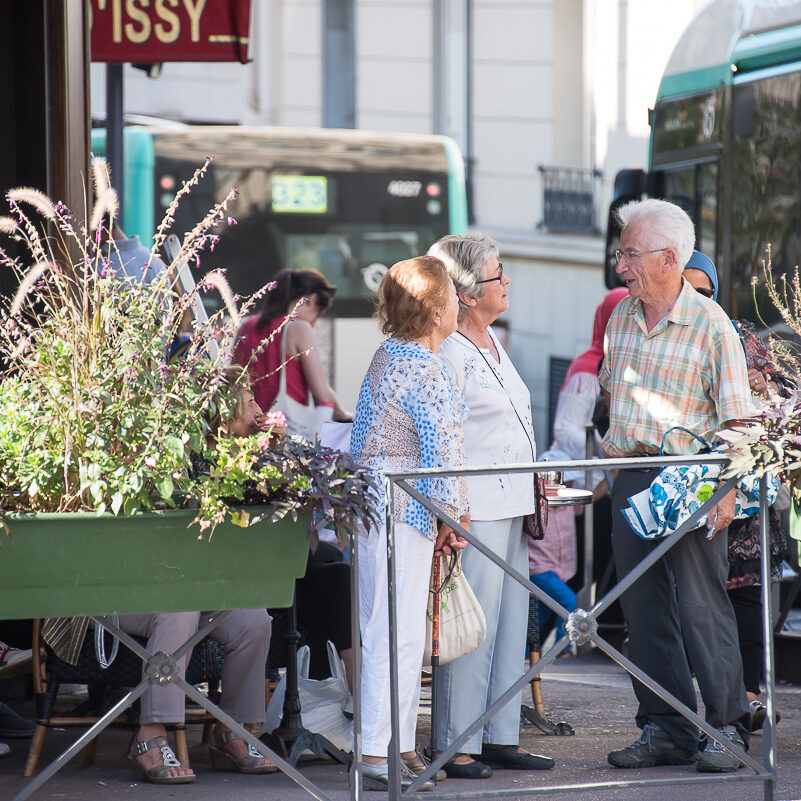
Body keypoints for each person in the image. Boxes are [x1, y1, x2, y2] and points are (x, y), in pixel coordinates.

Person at [42, 374, 276, 785]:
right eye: (249, 402)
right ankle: (149, 735)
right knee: (179, 608)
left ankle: (233, 732)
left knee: (253, 620)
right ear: (219, 417)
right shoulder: (169, 460)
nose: (259, 411)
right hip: (118, 593)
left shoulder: (236, 461)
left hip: (194, 587)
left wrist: (268, 456)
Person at [600, 199, 755, 773]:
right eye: (621, 253)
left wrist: (729, 488)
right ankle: (666, 728)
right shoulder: (621, 316)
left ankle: (727, 728)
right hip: (633, 476)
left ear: (669, 258)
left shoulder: (711, 323)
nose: (620, 266)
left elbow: (739, 418)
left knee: (700, 603)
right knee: (643, 611)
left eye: (630, 254)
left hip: (694, 478)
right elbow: (612, 394)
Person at [427, 233, 554, 778]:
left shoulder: (494, 342)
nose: (508, 283)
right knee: (471, 626)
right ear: (470, 292)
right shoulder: (450, 350)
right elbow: (445, 435)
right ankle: (457, 741)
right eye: (500, 274)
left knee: (507, 625)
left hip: (514, 501)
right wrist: (450, 509)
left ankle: (500, 733)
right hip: (474, 507)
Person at [350, 255, 469, 791]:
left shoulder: (385, 354)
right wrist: (454, 516)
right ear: (438, 306)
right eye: (454, 295)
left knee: (386, 624)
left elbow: (361, 438)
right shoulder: (426, 366)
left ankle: (390, 745)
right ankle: (380, 752)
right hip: (407, 503)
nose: (461, 304)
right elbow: (442, 448)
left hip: (376, 499)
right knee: (395, 629)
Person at [682, 251, 789, 733]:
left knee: (745, 595)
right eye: (685, 289)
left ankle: (744, 702)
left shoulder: (741, 334)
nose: (695, 300)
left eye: (704, 292)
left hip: (744, 485)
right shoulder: (669, 335)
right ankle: (700, 713)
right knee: (699, 600)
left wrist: (761, 385)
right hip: (689, 488)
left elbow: (785, 397)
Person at [234, 269, 351, 426]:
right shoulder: (298, 328)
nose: (314, 323)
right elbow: (322, 394)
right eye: (318, 314)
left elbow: (233, 379)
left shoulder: (246, 326)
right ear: (312, 300)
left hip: (246, 430)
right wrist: (342, 413)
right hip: (282, 432)